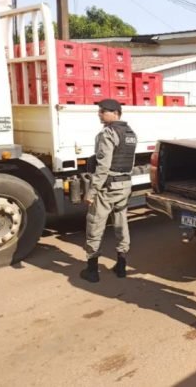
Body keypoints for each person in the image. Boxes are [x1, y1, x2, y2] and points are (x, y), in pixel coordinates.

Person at [80, 99, 138, 283]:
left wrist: (92, 192)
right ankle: (121, 266)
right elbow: (130, 162)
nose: (99, 113)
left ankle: (92, 270)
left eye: (103, 111)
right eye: (99, 110)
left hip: (108, 187)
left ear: (115, 113)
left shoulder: (108, 133)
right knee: (121, 223)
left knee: (95, 225)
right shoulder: (131, 133)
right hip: (124, 185)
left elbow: (103, 167)